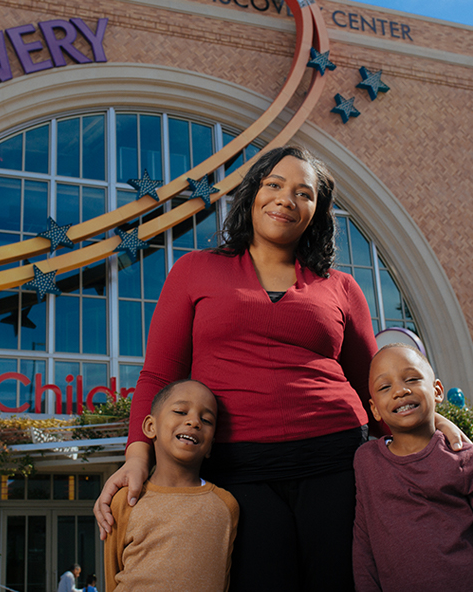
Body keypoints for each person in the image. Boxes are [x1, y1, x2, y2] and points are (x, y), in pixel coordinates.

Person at [94, 145, 469, 592]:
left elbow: (374, 381)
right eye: (274, 184)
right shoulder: (194, 270)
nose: (286, 198)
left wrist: (431, 419)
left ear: (317, 210)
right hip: (239, 467)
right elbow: (159, 375)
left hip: (336, 460)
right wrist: (137, 457)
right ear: (252, 193)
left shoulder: (342, 287)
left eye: (303, 192)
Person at [352, 344, 473, 591]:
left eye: (412, 379)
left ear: (437, 390)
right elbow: (363, 541)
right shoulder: (367, 461)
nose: (400, 391)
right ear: (374, 409)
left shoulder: (462, 457)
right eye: (385, 387)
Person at [104, 380, 239, 592]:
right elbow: (112, 577)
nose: (194, 422)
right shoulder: (126, 499)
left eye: (206, 419)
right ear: (150, 427)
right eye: (180, 411)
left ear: (211, 445)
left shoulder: (226, 505)